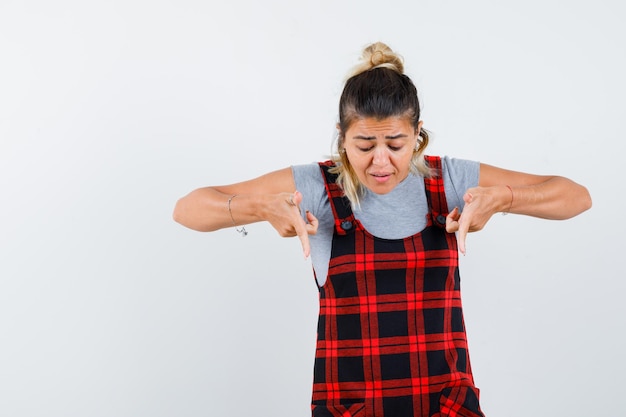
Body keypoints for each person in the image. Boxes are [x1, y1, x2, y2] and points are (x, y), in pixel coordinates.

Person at [173, 42, 591, 417]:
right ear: (342, 138)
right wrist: (257, 206)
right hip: (351, 408)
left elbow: (576, 197)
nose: (380, 162)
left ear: (417, 135)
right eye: (364, 145)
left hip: (445, 406)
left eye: (395, 144)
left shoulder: (449, 180)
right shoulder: (317, 186)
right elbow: (187, 209)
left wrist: (504, 199)